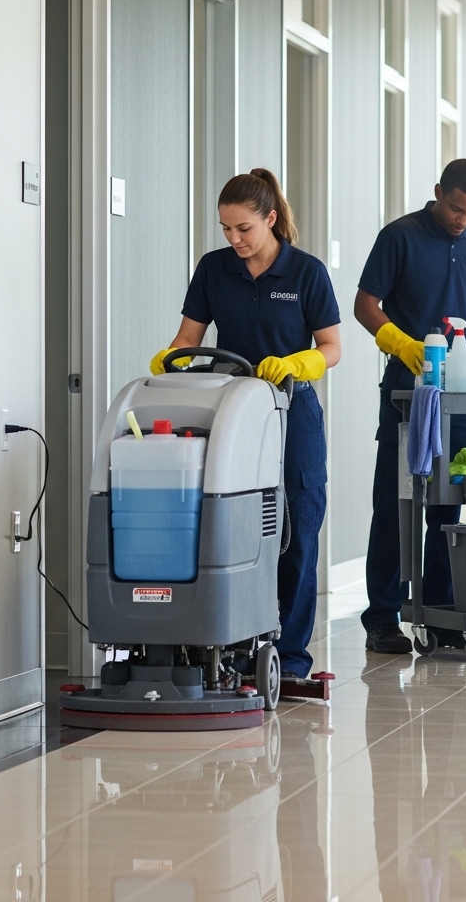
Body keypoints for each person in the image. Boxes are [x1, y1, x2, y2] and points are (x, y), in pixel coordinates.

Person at [150, 168, 341, 678]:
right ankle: (233, 644)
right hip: (230, 413)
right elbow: (188, 337)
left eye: (244, 229)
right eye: (226, 229)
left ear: (271, 219)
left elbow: (332, 348)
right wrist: (170, 360)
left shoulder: (307, 273)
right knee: (232, 525)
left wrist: (299, 364)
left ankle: (292, 656)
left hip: (291, 410)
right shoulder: (214, 270)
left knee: (297, 529)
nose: (233, 239)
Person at [354, 158, 466, 654]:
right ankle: (382, 617)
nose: (464, 221)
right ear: (439, 192)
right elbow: (365, 304)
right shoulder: (399, 236)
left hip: (462, 399)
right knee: (396, 504)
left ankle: (442, 614)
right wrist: (400, 342)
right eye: (457, 209)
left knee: (452, 502)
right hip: (407, 395)